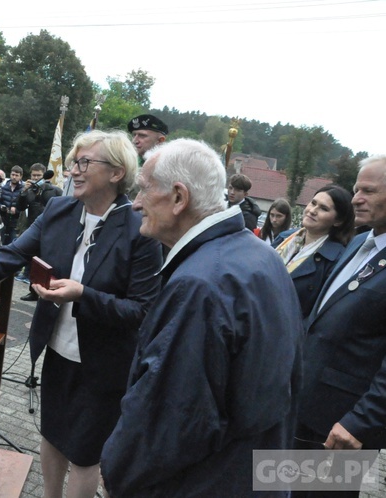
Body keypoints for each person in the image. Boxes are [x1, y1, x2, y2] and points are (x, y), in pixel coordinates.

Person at [0, 130, 162, 498]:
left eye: (84, 163)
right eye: (72, 164)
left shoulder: (140, 230)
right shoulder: (58, 211)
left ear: (116, 173)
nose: (73, 172)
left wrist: (83, 295)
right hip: (57, 351)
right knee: (52, 435)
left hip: (104, 364)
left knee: (83, 453)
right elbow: (10, 255)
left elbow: (142, 311)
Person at [100, 138, 302, 497]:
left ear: (179, 198)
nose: (136, 204)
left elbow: (170, 420)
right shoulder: (259, 256)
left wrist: (115, 469)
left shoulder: (200, 284)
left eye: (144, 190)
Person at [293, 155, 386, 497]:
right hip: (304, 408)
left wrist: (360, 421)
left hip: (343, 428)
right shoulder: (359, 244)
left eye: (368, 191)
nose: (357, 197)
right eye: (356, 188)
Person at [275, 185, 354, 319]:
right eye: (313, 203)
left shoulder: (337, 260)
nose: (312, 211)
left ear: (338, 221)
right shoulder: (284, 238)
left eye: (323, 208)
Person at [17, 164, 63, 300]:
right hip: (33, 228)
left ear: (44, 175)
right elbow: (20, 206)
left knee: (47, 262)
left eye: (38, 175)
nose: (36, 178)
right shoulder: (29, 190)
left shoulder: (55, 190)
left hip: (51, 231)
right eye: (33, 175)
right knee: (33, 262)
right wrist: (24, 191)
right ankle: (33, 291)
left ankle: (47, 289)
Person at [0, 165, 23, 245]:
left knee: (13, 243)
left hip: (15, 222)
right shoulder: (4, 187)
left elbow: (25, 206)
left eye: (16, 175)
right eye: (12, 175)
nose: (14, 177)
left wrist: (16, 210)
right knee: (0, 242)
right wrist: (1, 207)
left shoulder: (23, 189)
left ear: (20, 177)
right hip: (3, 220)